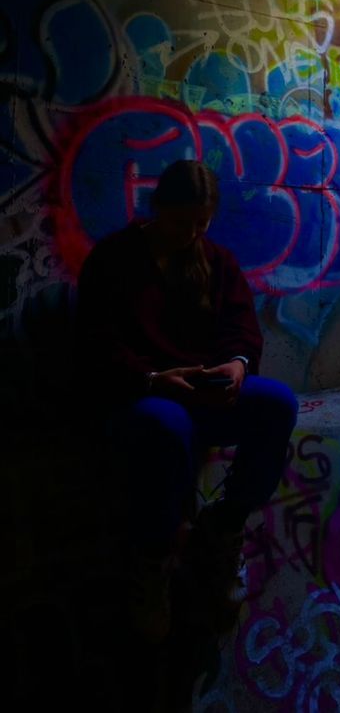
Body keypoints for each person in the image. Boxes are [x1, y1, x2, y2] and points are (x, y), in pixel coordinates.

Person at [74, 160, 298, 643]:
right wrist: (152, 377)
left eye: (201, 223)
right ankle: (152, 564)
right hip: (140, 397)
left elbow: (242, 328)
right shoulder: (114, 260)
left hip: (201, 394)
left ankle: (225, 527)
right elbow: (94, 344)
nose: (190, 233)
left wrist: (236, 364)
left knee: (278, 403)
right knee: (166, 426)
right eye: (180, 222)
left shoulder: (217, 262)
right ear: (157, 209)